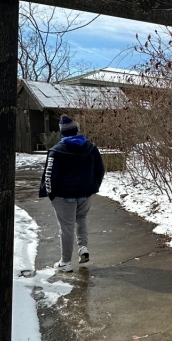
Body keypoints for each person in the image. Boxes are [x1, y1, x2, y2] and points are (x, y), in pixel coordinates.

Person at [39, 115, 105, 272]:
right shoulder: (91, 147)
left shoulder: (57, 151)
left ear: (62, 133)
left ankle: (66, 262)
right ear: (76, 130)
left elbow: (50, 175)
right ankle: (83, 248)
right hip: (86, 193)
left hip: (64, 196)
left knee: (66, 227)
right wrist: (93, 186)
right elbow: (100, 169)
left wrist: (51, 193)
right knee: (81, 218)